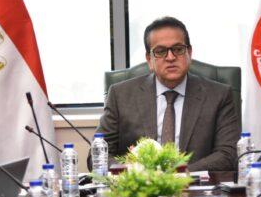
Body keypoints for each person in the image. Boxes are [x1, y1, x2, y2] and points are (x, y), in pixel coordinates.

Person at [96, 16, 240, 171]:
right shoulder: (121, 95)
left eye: (178, 49)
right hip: (140, 184)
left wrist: (178, 174)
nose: (170, 57)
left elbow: (228, 154)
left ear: (189, 53)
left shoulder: (218, 95)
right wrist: (134, 172)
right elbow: (99, 154)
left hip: (194, 182)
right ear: (149, 59)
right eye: (160, 51)